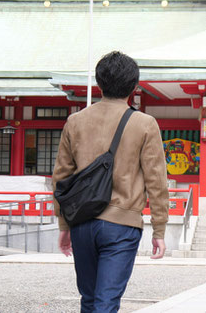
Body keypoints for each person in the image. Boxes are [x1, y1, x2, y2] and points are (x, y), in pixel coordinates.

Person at [52, 51, 169, 313]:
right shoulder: (145, 124)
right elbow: (157, 181)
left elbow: (61, 177)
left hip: (82, 222)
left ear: (99, 84)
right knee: (106, 301)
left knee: (90, 299)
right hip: (122, 224)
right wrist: (159, 230)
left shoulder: (75, 121)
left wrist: (64, 224)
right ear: (134, 87)